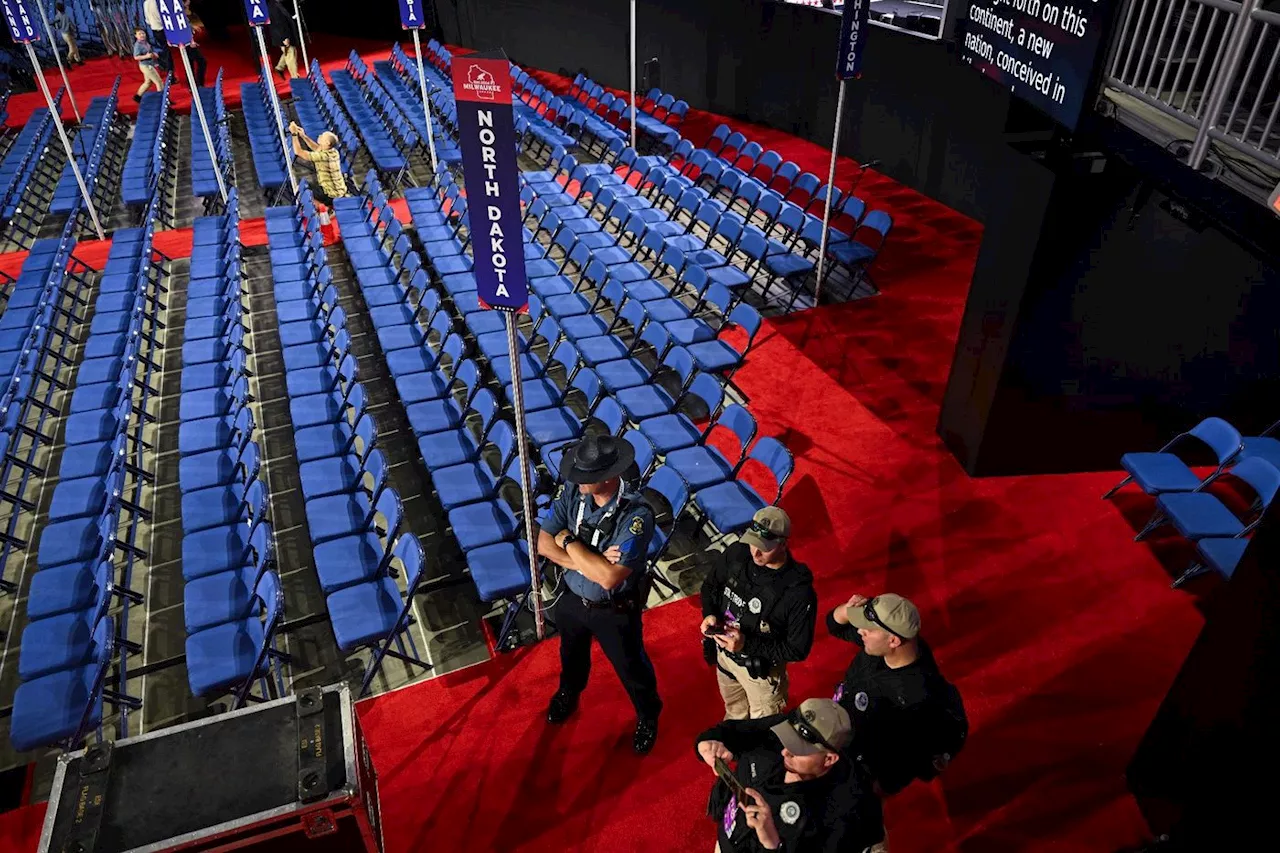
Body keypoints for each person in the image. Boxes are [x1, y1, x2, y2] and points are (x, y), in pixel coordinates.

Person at [537, 434, 662, 754]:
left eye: (585, 477)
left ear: (606, 478)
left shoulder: (636, 516)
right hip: (573, 598)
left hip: (614, 608)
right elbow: (542, 542)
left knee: (630, 666)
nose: (576, 481)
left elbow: (608, 577)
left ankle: (648, 714)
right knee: (571, 655)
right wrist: (584, 561)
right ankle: (569, 693)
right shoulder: (573, 494)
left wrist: (568, 541)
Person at [695, 698, 886, 852]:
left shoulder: (848, 808)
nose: (785, 751)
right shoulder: (783, 729)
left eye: (798, 749)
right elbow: (731, 731)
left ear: (829, 759)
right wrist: (707, 744)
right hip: (730, 840)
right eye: (788, 738)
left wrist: (773, 843)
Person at [828, 593, 967, 797]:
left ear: (893, 640)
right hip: (840, 736)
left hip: (860, 768)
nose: (860, 631)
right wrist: (847, 609)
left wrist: (877, 790)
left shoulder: (918, 697)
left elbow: (912, 758)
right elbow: (834, 624)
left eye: (868, 628)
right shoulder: (886, 644)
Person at [700, 507, 816, 720]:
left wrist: (746, 645)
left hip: (761, 675)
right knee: (734, 712)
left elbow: (797, 650)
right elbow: (711, 586)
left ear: (783, 544)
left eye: (765, 547)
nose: (756, 552)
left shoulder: (797, 593)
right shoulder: (737, 553)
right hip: (725, 657)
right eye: (753, 541)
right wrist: (710, 614)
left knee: (760, 734)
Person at [287, 122, 348, 206]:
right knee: (307, 187)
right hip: (336, 189)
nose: (320, 136)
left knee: (303, 192)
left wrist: (294, 134)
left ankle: (323, 209)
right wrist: (303, 136)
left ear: (327, 143)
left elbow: (298, 152)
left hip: (331, 194)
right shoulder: (333, 151)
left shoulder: (324, 156)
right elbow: (316, 148)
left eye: (322, 136)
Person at [131, 29, 164, 103]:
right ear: (136, 36)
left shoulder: (145, 42)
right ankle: (162, 99)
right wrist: (147, 56)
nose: (142, 35)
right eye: (139, 34)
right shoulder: (138, 45)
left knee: (148, 83)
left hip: (149, 64)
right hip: (146, 66)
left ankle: (137, 97)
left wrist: (153, 54)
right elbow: (136, 57)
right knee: (159, 82)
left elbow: (149, 51)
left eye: (143, 33)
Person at [142, 0, 171, 72]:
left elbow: (147, 20)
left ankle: (163, 67)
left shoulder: (146, 3)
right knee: (166, 52)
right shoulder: (158, 2)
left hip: (154, 29)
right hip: (162, 29)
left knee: (162, 49)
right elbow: (162, 17)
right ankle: (170, 73)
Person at [185, 2, 208, 89]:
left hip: (188, 42)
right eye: (186, 6)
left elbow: (186, 25)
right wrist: (191, 41)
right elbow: (184, 29)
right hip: (187, 43)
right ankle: (199, 84)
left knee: (189, 64)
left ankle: (192, 85)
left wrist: (192, 26)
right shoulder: (181, 15)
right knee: (202, 62)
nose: (188, 7)